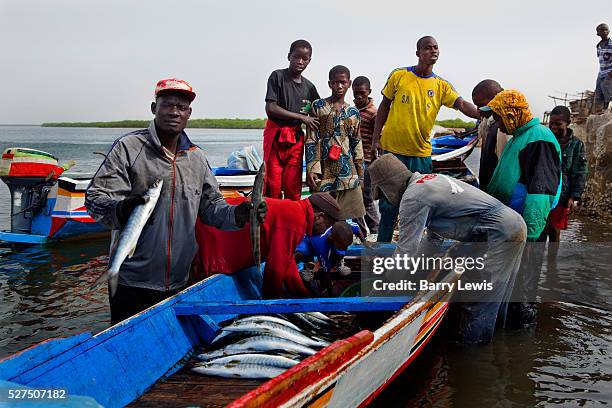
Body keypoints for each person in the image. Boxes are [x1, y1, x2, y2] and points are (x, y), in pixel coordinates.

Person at [85, 78, 265, 325]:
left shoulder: (196, 157)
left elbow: (212, 209)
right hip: (132, 281)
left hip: (181, 280)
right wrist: (120, 209)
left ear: (189, 113)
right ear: (153, 108)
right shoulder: (128, 148)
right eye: (167, 105)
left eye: (181, 107)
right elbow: (95, 199)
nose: (174, 112)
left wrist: (239, 214)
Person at [368, 154, 527, 343]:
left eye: (383, 195)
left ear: (389, 186)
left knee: (480, 301)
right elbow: (432, 241)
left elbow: (405, 251)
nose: (386, 199)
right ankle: (504, 345)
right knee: (499, 296)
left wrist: (388, 284)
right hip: (513, 225)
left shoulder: (413, 198)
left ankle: (475, 354)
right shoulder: (429, 181)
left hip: (499, 233)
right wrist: (419, 275)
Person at [370, 36, 480, 242]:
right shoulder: (399, 75)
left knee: (424, 202)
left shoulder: (441, 85)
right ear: (418, 53)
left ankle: (419, 247)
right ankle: (383, 247)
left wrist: (481, 114)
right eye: (428, 48)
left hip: (421, 153)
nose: (433, 51)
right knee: (389, 205)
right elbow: (384, 105)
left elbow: (462, 104)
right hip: (393, 151)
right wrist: (376, 139)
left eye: (436, 48)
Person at [485, 89, 561, 328]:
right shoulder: (521, 136)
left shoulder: (539, 138)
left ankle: (522, 342)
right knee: (514, 284)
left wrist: (531, 237)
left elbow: (540, 192)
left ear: (511, 114)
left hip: (528, 228)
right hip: (515, 224)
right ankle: (511, 332)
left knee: (524, 288)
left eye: (498, 117)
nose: (497, 123)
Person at [195, 192, 341, 298]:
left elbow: (287, 263)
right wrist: (270, 305)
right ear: (319, 217)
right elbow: (275, 270)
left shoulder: (297, 212)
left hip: (213, 226)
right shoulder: (296, 220)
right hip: (213, 231)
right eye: (327, 225)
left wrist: (303, 295)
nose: (323, 231)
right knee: (195, 271)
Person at [305, 65, 366, 224]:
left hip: (348, 171)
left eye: (343, 82)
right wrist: (312, 169)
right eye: (335, 82)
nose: (339, 86)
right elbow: (312, 139)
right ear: (329, 84)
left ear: (349, 83)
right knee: (321, 217)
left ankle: (352, 241)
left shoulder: (353, 112)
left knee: (351, 215)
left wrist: (361, 174)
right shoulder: (318, 106)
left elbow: (356, 143)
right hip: (324, 170)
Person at [264, 39, 321, 200]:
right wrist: (302, 117)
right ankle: (271, 221)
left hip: (295, 139)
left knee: (292, 185)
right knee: (273, 184)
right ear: (289, 56)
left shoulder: (309, 87)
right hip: (276, 136)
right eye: (297, 57)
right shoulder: (278, 76)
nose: (300, 62)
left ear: (309, 60)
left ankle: (290, 222)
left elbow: (319, 111)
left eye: (305, 59)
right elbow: (271, 108)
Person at [546, 106, 588, 266]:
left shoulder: (577, 145)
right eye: (551, 124)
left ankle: (551, 265)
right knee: (539, 229)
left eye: (558, 124)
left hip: (562, 194)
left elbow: (580, 171)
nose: (554, 127)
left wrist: (574, 196)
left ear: (568, 123)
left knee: (555, 232)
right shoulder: (547, 141)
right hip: (544, 192)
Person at [471, 79, 511, 191]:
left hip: (497, 194)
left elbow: (505, 169)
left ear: (494, 98)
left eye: (480, 105)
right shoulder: (487, 122)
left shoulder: (502, 129)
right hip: (487, 190)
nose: (477, 110)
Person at [352, 76, 380, 235]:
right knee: (354, 200)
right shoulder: (353, 111)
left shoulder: (374, 113)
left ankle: (376, 232)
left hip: (367, 162)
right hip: (354, 162)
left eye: (362, 93)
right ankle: (361, 233)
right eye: (356, 94)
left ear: (369, 92)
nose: (358, 97)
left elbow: (380, 140)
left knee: (366, 199)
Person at [595, 23, 612, 110]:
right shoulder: (598, 46)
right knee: (599, 91)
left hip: (609, 71)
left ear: (608, 31)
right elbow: (601, 59)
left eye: (606, 30)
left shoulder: (611, 44)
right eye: (602, 30)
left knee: (607, 89)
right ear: (598, 33)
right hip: (601, 71)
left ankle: (606, 108)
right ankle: (601, 109)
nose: (604, 32)